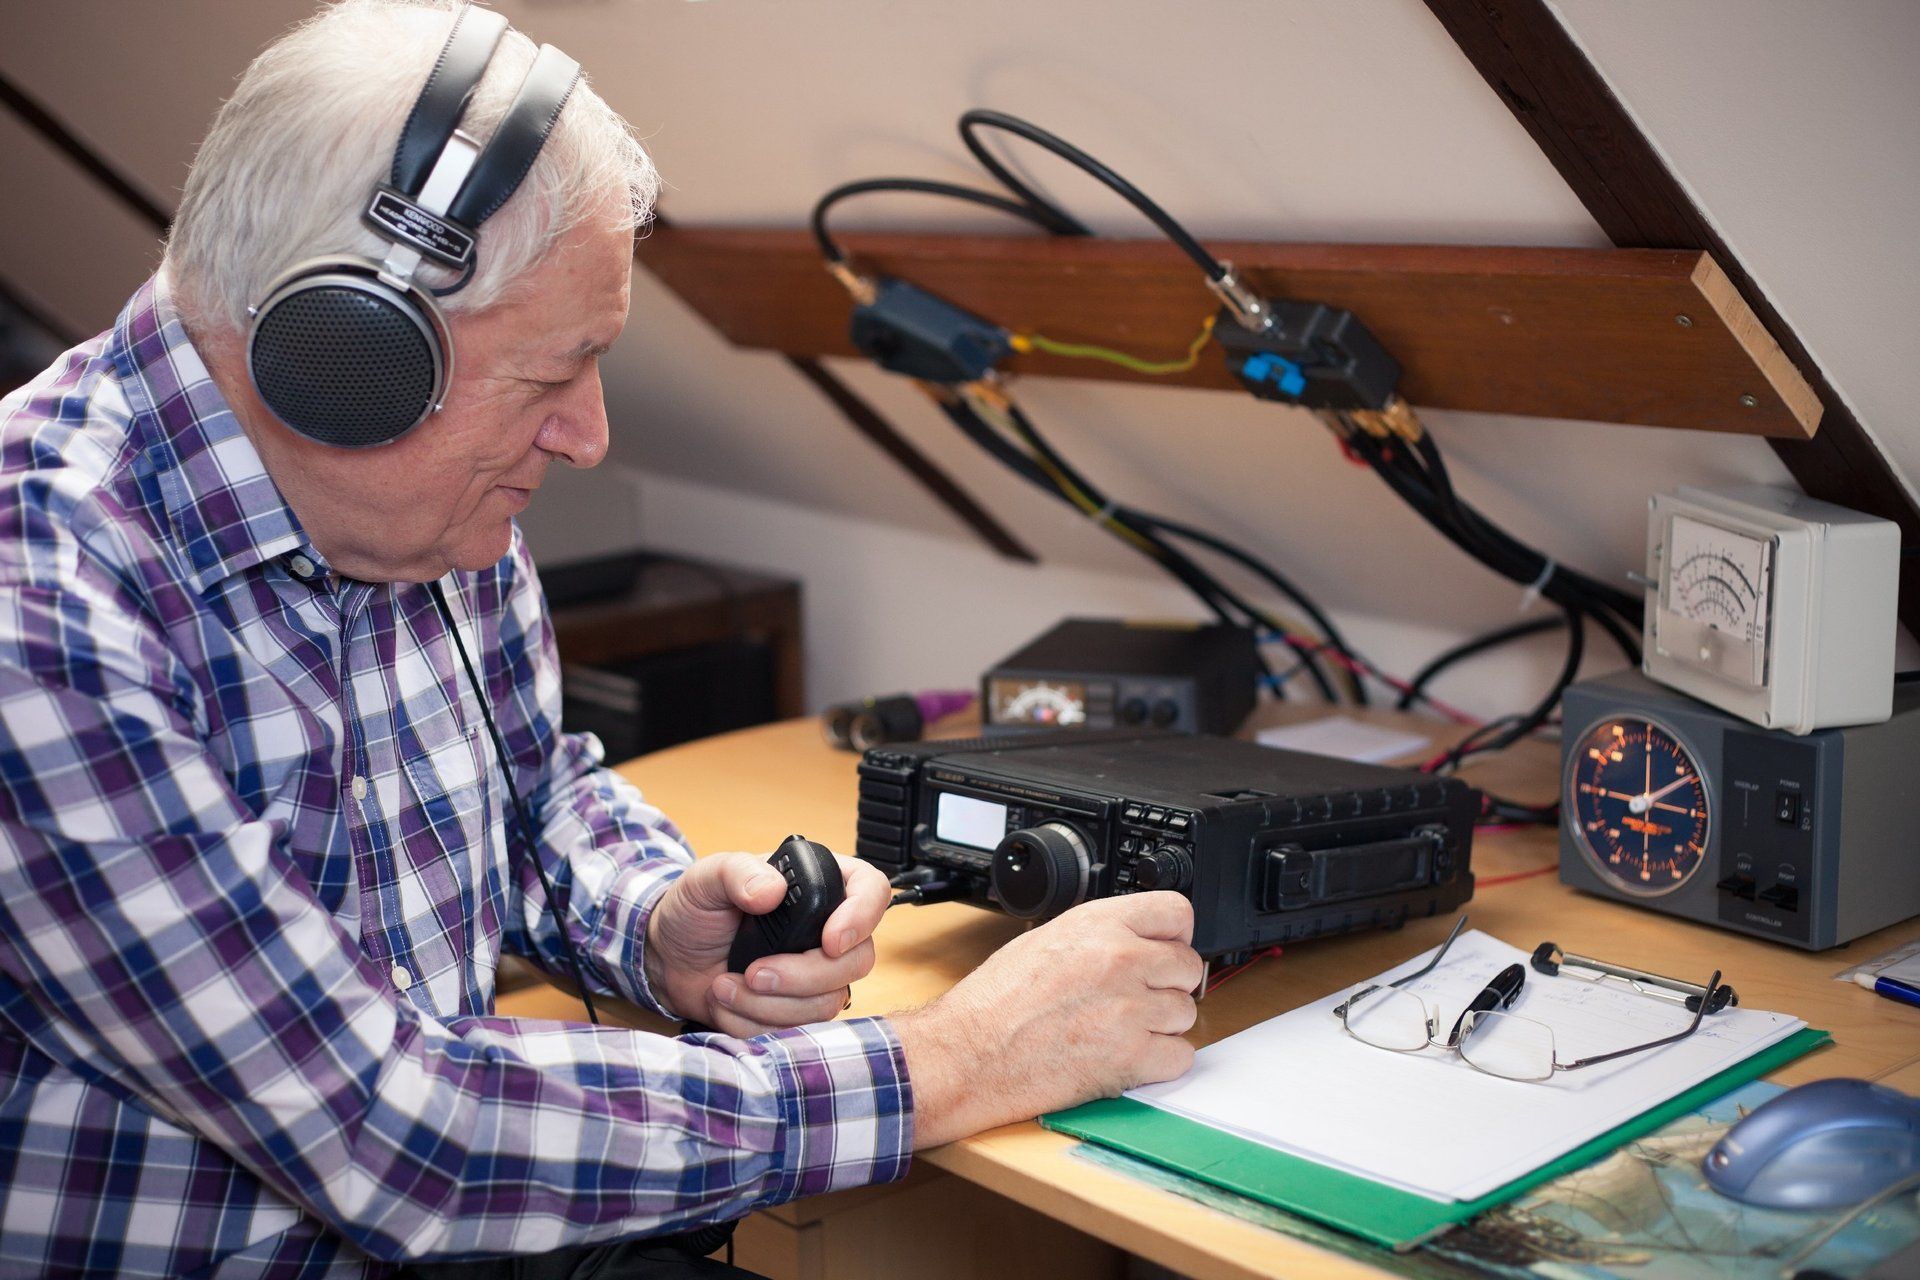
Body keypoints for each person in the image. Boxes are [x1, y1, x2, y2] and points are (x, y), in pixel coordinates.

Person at [0, 2, 1203, 1276]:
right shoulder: (39, 600)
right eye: (551, 375)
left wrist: (648, 917)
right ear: (343, 355)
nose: (588, 435)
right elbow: (392, 1135)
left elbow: (535, 787)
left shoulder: (421, 500)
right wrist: (952, 1059)